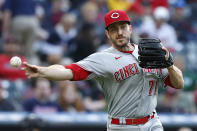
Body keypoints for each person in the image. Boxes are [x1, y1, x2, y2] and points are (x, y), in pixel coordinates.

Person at [23, 10, 184, 131]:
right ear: (107, 33)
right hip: (122, 126)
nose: (119, 32)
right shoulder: (102, 59)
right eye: (113, 29)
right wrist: (42, 71)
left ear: (130, 28)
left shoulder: (150, 52)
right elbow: (68, 71)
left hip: (152, 123)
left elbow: (178, 84)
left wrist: (169, 64)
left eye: (122, 27)